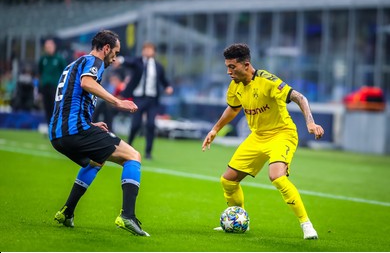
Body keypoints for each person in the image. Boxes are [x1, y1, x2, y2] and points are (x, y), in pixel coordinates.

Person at [202, 43, 324, 240]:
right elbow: (233, 108)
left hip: (281, 134)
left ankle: (306, 224)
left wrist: (311, 123)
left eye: (232, 67)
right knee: (228, 180)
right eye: (227, 67)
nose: (228, 71)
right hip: (258, 136)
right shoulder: (235, 85)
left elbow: (300, 98)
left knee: (277, 176)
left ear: (246, 64)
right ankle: (239, 220)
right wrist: (215, 129)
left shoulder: (268, 80)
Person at [50, 30, 149, 236]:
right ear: (106, 48)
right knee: (133, 156)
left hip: (59, 135)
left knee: (97, 161)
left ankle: (67, 211)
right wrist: (117, 101)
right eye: (115, 52)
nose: (115, 57)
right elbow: (87, 83)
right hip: (75, 131)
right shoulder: (93, 62)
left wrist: (91, 124)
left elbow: (69, 99)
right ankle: (127, 216)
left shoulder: (72, 65)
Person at [117, 42, 173, 159]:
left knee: (151, 125)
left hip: (152, 99)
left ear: (154, 52)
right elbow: (128, 61)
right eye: (146, 49)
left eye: (150, 49)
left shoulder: (158, 66)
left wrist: (168, 87)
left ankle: (148, 152)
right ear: (143, 51)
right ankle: (129, 145)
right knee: (135, 125)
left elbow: (163, 80)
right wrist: (120, 60)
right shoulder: (137, 62)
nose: (148, 52)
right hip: (139, 98)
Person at [38, 39, 67, 126]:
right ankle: (49, 127)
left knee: (56, 107)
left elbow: (65, 72)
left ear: (54, 47)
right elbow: (40, 72)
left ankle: (56, 126)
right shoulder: (43, 59)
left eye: (50, 46)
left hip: (55, 88)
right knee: (47, 108)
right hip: (45, 87)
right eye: (47, 47)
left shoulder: (59, 59)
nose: (48, 49)